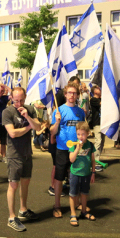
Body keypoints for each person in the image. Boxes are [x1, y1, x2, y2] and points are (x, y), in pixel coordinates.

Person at [3, 87, 41, 231]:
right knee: (13, 185)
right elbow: (12, 133)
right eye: (16, 100)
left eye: (21, 100)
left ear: (25, 98)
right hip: (14, 154)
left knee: (26, 182)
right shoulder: (7, 112)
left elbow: (38, 127)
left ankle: (23, 210)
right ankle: (12, 217)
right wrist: (28, 128)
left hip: (26, 153)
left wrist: (28, 118)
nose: (19, 103)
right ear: (11, 98)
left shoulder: (30, 109)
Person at [50, 83, 86, 217]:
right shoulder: (58, 111)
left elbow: (83, 130)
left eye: (74, 93)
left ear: (77, 95)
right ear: (65, 94)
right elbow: (52, 132)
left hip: (76, 149)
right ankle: (57, 206)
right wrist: (57, 122)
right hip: (62, 149)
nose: (72, 95)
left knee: (75, 178)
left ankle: (76, 203)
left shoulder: (80, 112)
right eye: (69, 92)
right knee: (59, 179)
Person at [68, 121, 96, 226]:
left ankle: (84, 211)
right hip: (75, 173)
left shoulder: (90, 145)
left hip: (86, 174)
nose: (80, 136)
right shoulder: (73, 144)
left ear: (88, 134)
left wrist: (93, 173)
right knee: (73, 194)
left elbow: (93, 160)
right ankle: (73, 214)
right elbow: (71, 159)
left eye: (83, 134)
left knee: (85, 193)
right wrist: (77, 149)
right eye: (78, 134)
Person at [89, 85, 104, 172]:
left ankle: (97, 160)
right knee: (98, 142)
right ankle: (94, 162)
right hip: (97, 123)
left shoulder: (101, 99)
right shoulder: (93, 100)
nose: (100, 89)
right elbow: (102, 104)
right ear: (95, 91)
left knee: (102, 142)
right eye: (98, 88)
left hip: (103, 123)